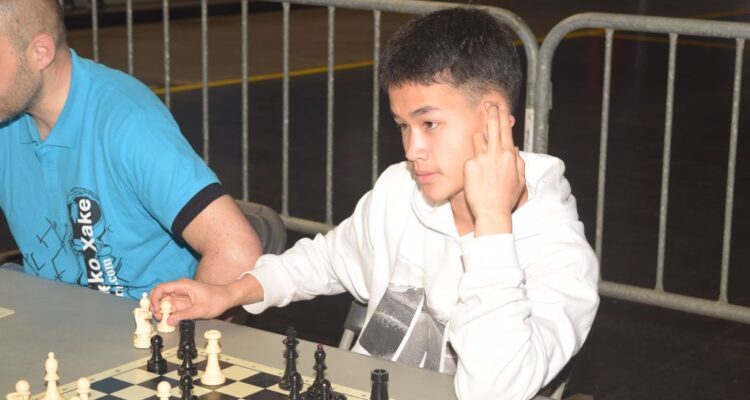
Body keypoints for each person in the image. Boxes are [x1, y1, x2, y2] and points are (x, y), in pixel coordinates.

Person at [151, 7, 599, 399]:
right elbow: (325, 260)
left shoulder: (559, 254)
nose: (412, 149)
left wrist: (493, 222)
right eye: (403, 126)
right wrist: (228, 292)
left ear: (494, 116)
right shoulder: (399, 190)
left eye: (429, 123)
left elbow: (492, 391)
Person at [0, 0, 263, 299]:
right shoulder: (8, 116)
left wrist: (174, 326)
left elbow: (236, 252)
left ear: (40, 52)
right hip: (54, 316)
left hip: (140, 321)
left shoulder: (128, 123)